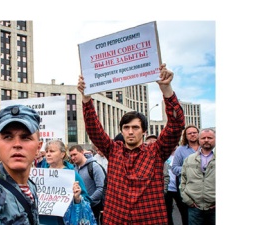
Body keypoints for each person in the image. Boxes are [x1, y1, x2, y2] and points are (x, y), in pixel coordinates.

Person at [78, 63, 185, 224]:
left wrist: (167, 90)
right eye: (126, 127)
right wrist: (86, 98)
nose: (130, 131)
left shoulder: (157, 151)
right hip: (116, 218)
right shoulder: (113, 150)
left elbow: (176, 125)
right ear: (121, 130)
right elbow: (94, 129)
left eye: (135, 127)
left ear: (144, 131)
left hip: (149, 219)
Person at [40, 139, 95, 225]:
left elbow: (87, 200)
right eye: (46, 151)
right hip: (42, 221)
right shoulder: (40, 174)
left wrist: (77, 198)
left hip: (64, 221)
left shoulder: (72, 174)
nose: (48, 154)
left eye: (52, 151)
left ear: (62, 154)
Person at [180, 128, 216, 225]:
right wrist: (187, 200)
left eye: (210, 138)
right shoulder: (189, 159)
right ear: (199, 140)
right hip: (194, 208)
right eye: (203, 138)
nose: (206, 140)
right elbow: (182, 180)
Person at [171, 125, 200, 225]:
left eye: (194, 132)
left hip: (205, 190)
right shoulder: (181, 150)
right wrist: (189, 170)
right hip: (187, 190)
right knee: (187, 217)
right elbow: (174, 168)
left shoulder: (205, 147)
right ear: (185, 136)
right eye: (189, 133)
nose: (192, 134)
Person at [69, 144, 106, 223]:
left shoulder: (94, 167)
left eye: (75, 154)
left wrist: (88, 201)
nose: (72, 158)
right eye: (71, 155)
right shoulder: (73, 169)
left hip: (94, 207)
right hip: (79, 207)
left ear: (82, 152)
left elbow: (101, 188)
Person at [164, 146, 187, 225]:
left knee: (184, 211)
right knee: (167, 212)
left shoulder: (179, 156)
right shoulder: (163, 155)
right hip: (167, 189)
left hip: (179, 188)